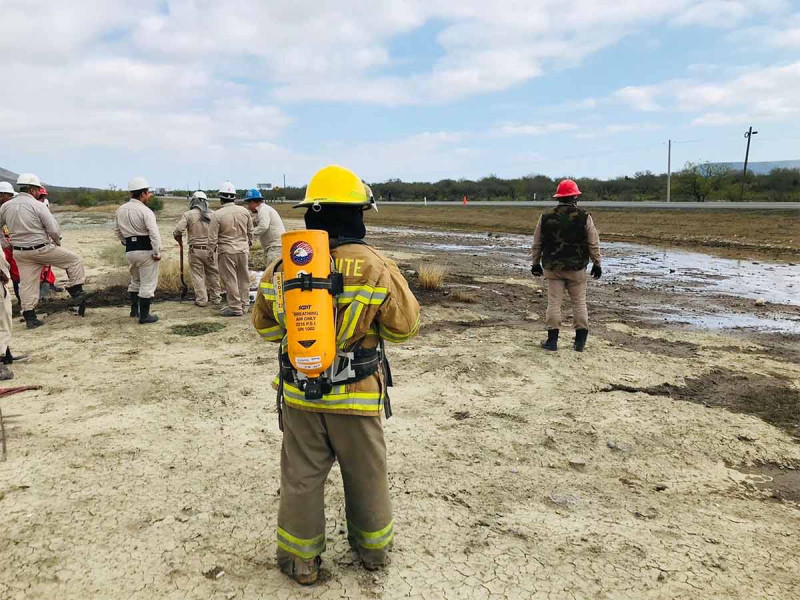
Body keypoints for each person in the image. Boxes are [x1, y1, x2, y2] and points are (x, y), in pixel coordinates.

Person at [252, 165, 420, 585]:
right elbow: (404, 329)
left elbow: (266, 328)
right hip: (357, 396)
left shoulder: (280, 269)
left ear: (312, 214)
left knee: (301, 478)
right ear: (355, 214)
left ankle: (299, 562)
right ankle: (373, 551)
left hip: (299, 395)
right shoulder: (376, 265)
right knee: (366, 476)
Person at [0, 173, 86, 328]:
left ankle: (30, 317)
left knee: (27, 285)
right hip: (41, 248)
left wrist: (5, 243)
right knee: (74, 260)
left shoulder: (6, 207)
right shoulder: (38, 206)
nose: (40, 192)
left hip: (20, 252)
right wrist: (57, 243)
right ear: (32, 189)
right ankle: (76, 289)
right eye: (38, 189)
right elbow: (53, 229)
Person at [530, 179, 602, 352]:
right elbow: (593, 243)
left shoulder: (545, 217)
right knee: (579, 303)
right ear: (575, 196)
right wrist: (597, 263)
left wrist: (535, 263)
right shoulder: (585, 217)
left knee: (554, 303)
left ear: (558, 197)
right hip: (577, 268)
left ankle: (552, 342)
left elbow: (537, 243)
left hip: (552, 268)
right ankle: (579, 343)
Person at [114, 177, 161, 324]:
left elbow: (117, 230)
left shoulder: (120, 210)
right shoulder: (145, 211)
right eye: (148, 193)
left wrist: (125, 241)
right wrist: (157, 252)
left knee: (135, 280)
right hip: (146, 250)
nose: (149, 195)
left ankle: (134, 310)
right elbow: (153, 233)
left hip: (130, 250)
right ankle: (144, 316)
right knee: (147, 283)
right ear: (142, 194)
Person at [208, 181, 252, 317]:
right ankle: (245, 305)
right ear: (234, 196)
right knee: (244, 279)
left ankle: (235, 307)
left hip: (226, 251)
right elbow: (250, 232)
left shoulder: (217, 214)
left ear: (221, 197)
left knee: (230, 280)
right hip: (243, 250)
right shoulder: (245, 212)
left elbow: (212, 237)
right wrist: (248, 244)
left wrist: (210, 252)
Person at [173, 191, 222, 307]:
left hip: (195, 250)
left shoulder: (189, 214)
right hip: (211, 249)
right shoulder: (214, 214)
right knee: (213, 274)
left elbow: (178, 229)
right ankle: (216, 298)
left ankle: (202, 300)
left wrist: (178, 237)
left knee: (198, 275)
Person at [244, 188, 285, 265]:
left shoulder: (263, 210)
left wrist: (249, 235)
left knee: (272, 272)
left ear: (253, 202)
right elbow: (252, 223)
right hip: (275, 247)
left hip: (276, 247)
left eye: (248, 204)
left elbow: (263, 226)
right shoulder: (261, 211)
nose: (248, 207)